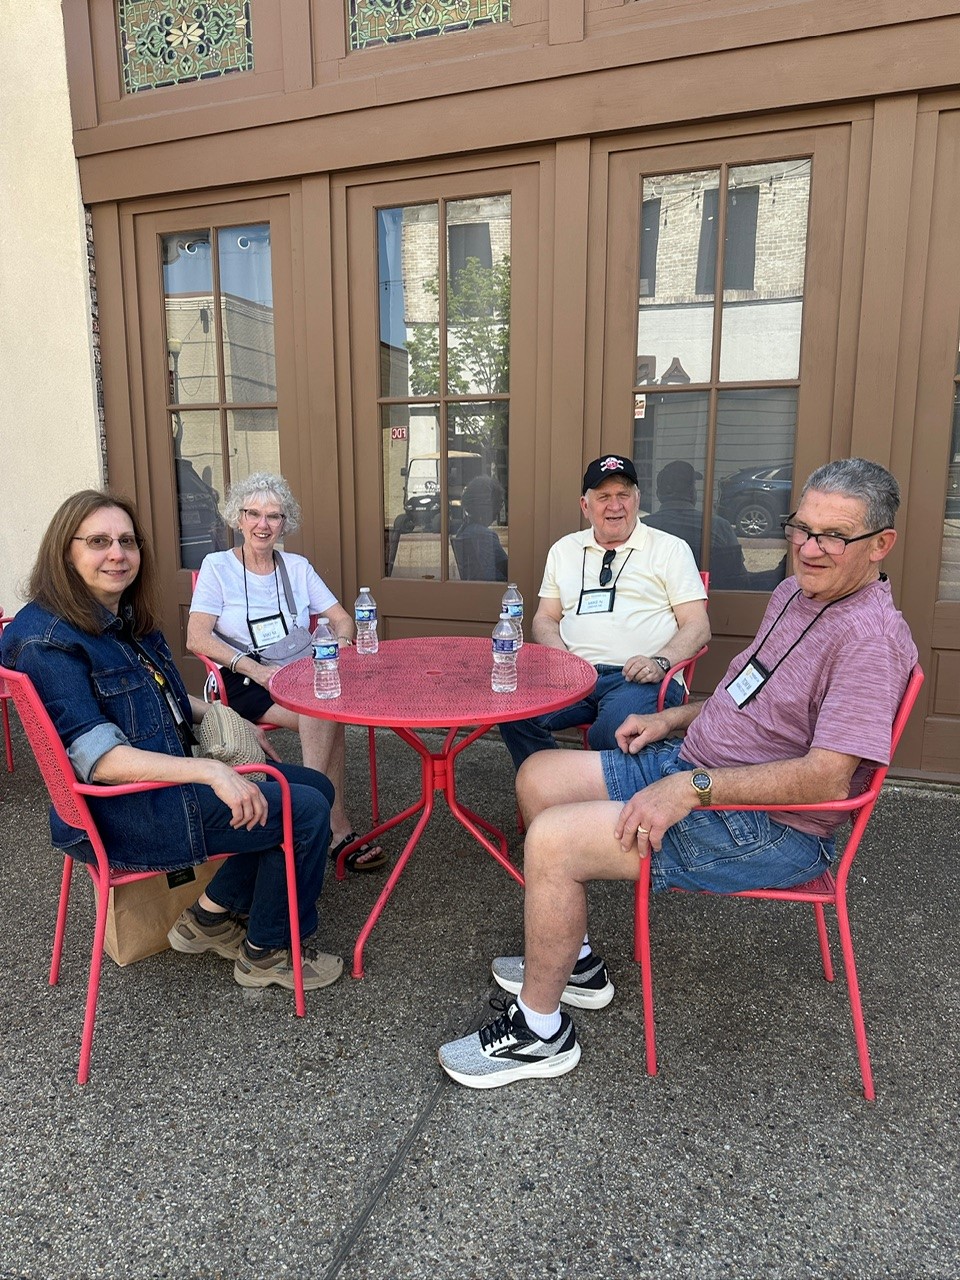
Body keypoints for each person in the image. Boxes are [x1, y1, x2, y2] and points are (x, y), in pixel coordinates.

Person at [439, 457, 917, 1088]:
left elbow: (827, 779)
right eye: (802, 528)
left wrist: (691, 787)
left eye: (834, 536)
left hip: (769, 826)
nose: (808, 548)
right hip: (701, 766)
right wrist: (672, 719)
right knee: (539, 775)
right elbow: (747, 694)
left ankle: (540, 1033)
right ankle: (575, 963)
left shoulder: (869, 640)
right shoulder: (796, 595)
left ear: (881, 544)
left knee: (553, 840)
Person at [2, 489, 343, 991]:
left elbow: (166, 700)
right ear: (64, 551)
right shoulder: (48, 640)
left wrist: (227, 716)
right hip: (126, 810)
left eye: (127, 541)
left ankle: (209, 917)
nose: (117, 554)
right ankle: (268, 951)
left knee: (315, 786)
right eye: (98, 542)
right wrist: (212, 770)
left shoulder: (119, 617)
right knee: (304, 811)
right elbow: (101, 760)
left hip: (161, 780)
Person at [187, 472, 387, 874]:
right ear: (238, 518)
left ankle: (313, 819)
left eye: (274, 516)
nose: (263, 525)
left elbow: (342, 619)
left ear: (284, 523)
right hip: (243, 677)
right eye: (253, 514)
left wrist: (337, 647)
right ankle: (325, 822)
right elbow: (197, 638)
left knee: (324, 705)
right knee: (324, 710)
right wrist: (259, 671)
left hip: (301, 671)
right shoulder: (217, 566)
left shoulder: (296, 567)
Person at [498, 454, 710, 768]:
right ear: (585, 506)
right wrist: (562, 658)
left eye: (623, 495)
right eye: (604, 497)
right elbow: (545, 618)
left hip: (639, 679)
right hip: (574, 676)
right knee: (514, 711)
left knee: (613, 730)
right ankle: (553, 784)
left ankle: (584, 790)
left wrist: (660, 661)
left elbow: (698, 625)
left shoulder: (670, 549)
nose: (615, 506)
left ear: (637, 500)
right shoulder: (564, 550)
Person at [644, 459, 785, 591]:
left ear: (659, 494)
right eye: (693, 486)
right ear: (692, 493)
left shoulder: (643, 528)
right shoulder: (718, 526)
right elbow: (738, 578)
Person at [452, 475, 508, 582]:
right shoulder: (484, 535)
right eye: (498, 505)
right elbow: (508, 570)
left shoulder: (463, 530)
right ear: (487, 507)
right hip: (494, 589)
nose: (497, 512)